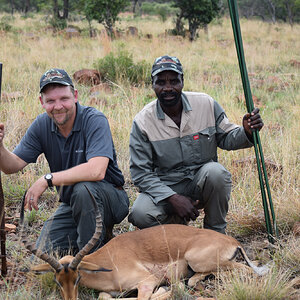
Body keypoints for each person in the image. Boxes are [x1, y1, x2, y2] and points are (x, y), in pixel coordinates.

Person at [128, 55, 264, 234]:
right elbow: (141, 174)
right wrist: (173, 198)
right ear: (152, 84)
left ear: (182, 81)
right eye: (161, 82)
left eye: (174, 81)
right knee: (140, 213)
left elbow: (227, 138)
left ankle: (215, 234)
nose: (168, 88)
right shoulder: (142, 121)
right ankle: (175, 230)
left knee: (217, 173)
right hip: (166, 186)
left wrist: (246, 131)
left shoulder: (205, 103)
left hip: (201, 181)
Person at [0, 68, 129, 254]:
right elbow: (11, 166)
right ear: (41, 102)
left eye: (64, 99)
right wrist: (0, 145)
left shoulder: (94, 120)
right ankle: (99, 240)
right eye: (50, 101)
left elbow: (96, 171)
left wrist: (47, 179)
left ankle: (91, 263)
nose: (58, 106)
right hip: (73, 205)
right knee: (42, 254)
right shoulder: (41, 125)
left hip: (111, 200)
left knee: (83, 189)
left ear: (75, 96)